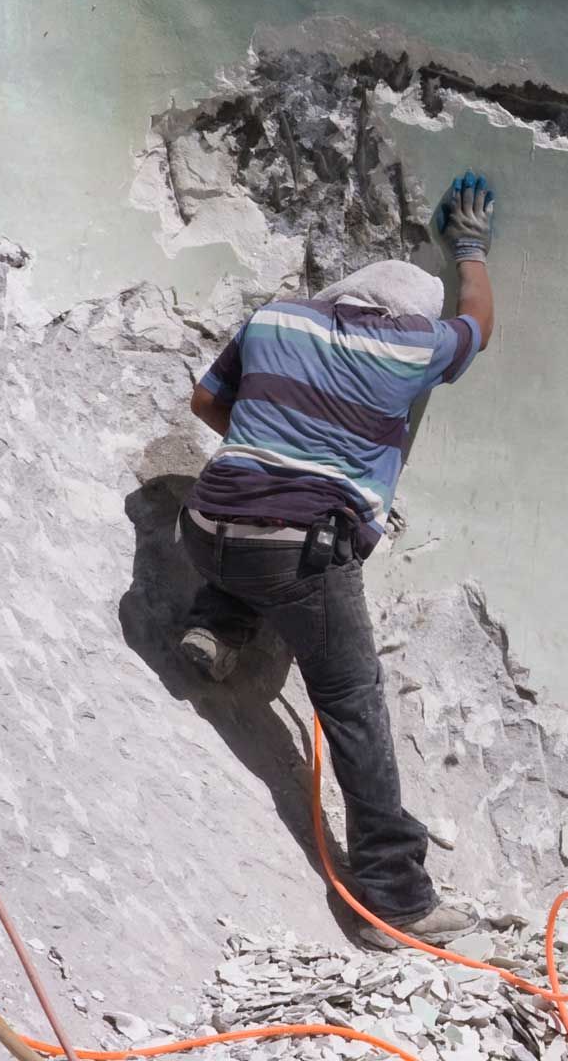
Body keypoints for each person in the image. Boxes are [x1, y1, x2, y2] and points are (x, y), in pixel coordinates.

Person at [173, 171, 497, 950]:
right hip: (299, 553)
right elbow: (478, 325)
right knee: (353, 701)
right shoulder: (412, 344)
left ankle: (218, 623)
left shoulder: (277, 319)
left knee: (259, 539)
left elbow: (206, 403)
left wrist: (274, 452)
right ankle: (393, 900)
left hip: (205, 527)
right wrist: (472, 249)